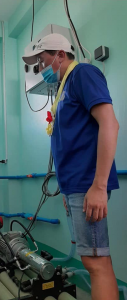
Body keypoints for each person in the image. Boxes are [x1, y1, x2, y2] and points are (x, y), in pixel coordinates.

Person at [22, 33, 119, 300]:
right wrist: (67, 190)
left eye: (42, 61)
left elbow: (110, 124)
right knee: (98, 261)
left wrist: (98, 186)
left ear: (60, 55)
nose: (40, 69)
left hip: (88, 184)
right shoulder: (64, 87)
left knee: (95, 263)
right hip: (76, 187)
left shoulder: (83, 74)